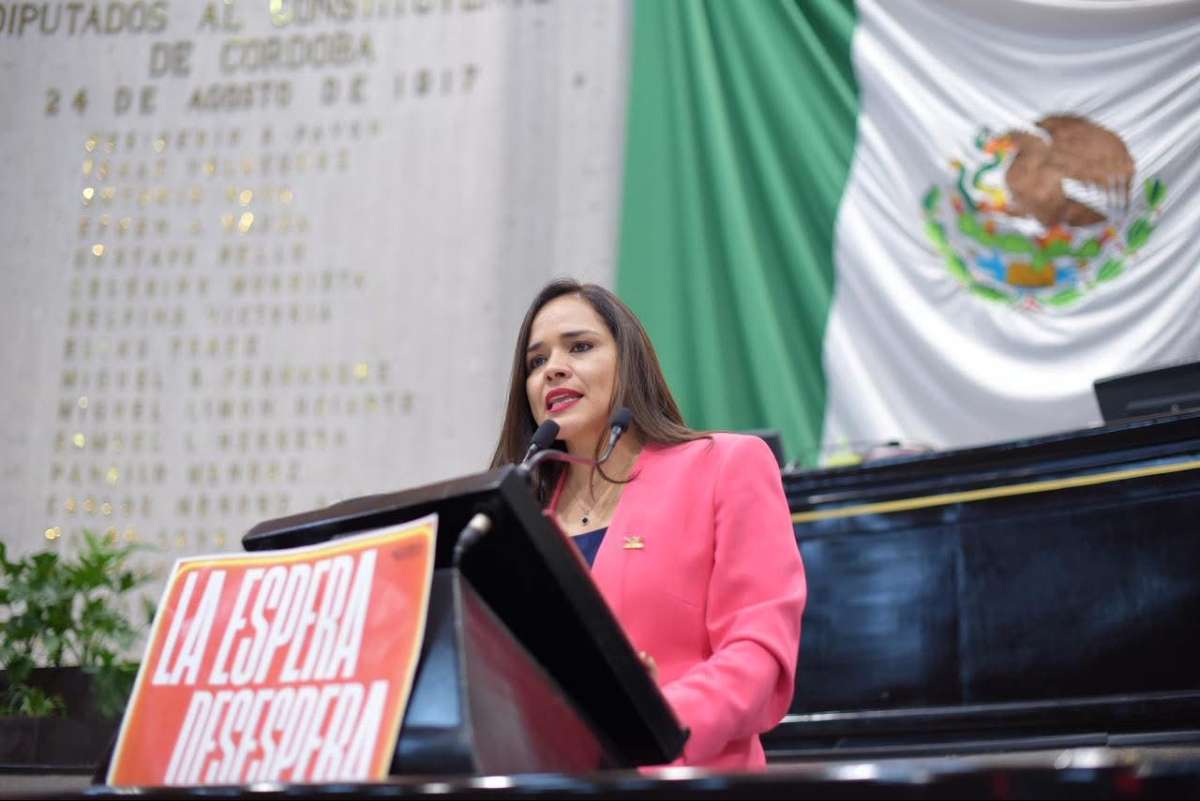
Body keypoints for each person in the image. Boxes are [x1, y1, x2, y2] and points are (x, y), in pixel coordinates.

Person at [490, 278, 806, 770]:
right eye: (536, 362)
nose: (553, 369)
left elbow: (757, 651)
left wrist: (654, 721)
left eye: (580, 346)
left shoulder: (726, 465)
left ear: (628, 362)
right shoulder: (515, 519)